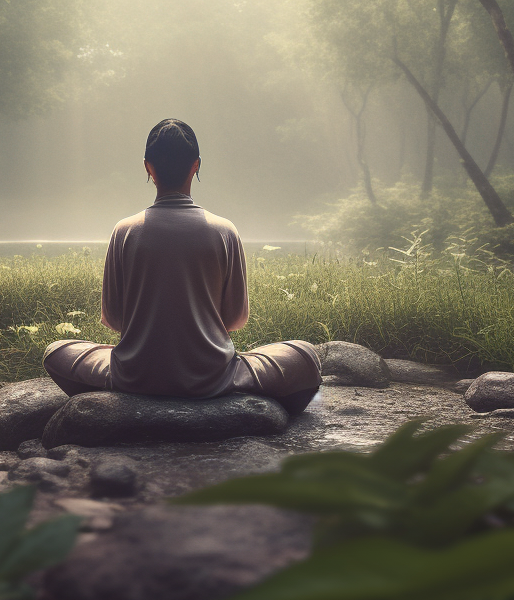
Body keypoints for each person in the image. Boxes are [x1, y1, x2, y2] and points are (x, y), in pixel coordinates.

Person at [42, 118, 322, 415]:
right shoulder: (224, 231)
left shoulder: (124, 231)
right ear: (196, 165)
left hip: (134, 376)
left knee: (55, 353)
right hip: (213, 377)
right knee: (305, 355)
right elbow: (236, 319)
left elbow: (113, 320)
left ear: (148, 167)